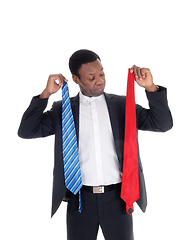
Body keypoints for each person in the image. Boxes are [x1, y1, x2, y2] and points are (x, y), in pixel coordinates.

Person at [18, 49, 173, 240]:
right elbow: (26, 131)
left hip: (119, 199)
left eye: (101, 74)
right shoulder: (63, 111)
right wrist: (46, 94)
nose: (99, 80)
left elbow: (162, 124)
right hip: (80, 201)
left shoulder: (122, 106)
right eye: (91, 77)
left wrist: (150, 87)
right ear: (76, 79)